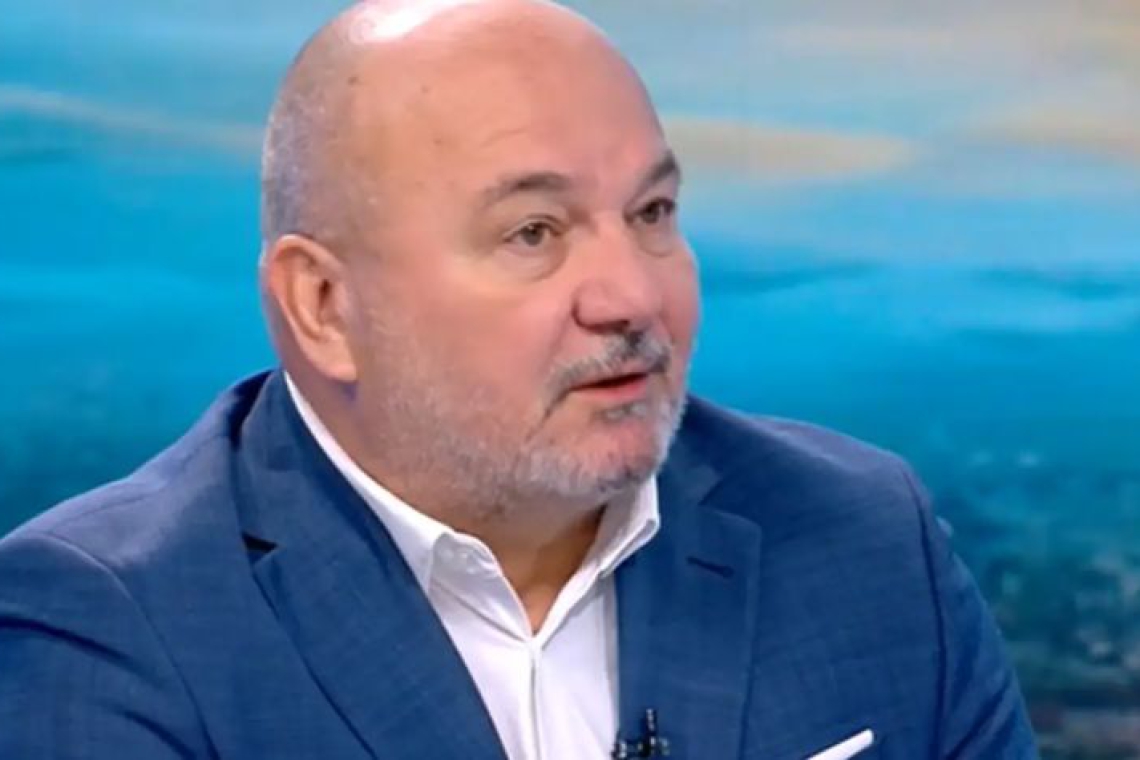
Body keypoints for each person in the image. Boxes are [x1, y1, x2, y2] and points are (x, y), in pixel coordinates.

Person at [0, 1, 1038, 758]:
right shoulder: (109, 628)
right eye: (534, 232)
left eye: (652, 214)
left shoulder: (864, 540)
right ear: (324, 306)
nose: (631, 296)